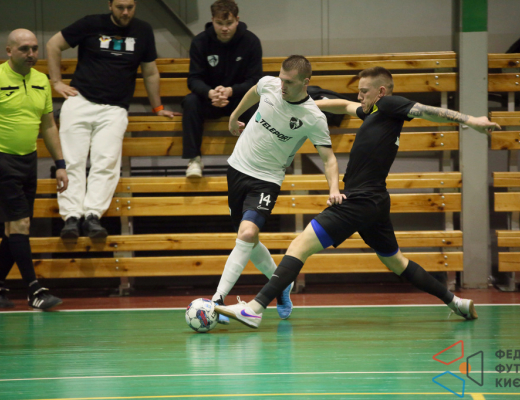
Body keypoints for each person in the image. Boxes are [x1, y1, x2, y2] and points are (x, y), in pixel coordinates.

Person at [215, 66, 502, 329]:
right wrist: (307, 106)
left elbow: (426, 111)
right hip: (375, 202)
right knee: (397, 263)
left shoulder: (390, 104)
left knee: (299, 246)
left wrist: (470, 120)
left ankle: (254, 309)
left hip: (359, 200)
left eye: (364, 91)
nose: (359, 96)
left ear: (381, 92)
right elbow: (343, 105)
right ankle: (456, 302)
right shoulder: (374, 112)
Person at [211, 55, 344, 324]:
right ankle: (282, 285)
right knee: (247, 240)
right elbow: (254, 91)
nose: (282, 86)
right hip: (237, 169)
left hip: (267, 180)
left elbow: (329, 158)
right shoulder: (270, 84)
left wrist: (334, 188)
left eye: (289, 82)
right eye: (281, 79)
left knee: (248, 233)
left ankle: (217, 298)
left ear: (305, 82)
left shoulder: (313, 117)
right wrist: (234, 116)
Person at [47, 0, 180, 239]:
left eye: (130, 6)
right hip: (80, 100)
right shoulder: (91, 23)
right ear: (110, 5)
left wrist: (158, 107)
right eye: (120, 7)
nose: (125, 12)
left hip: (115, 108)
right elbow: (53, 44)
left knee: (106, 162)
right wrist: (56, 82)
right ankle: (71, 217)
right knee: (72, 161)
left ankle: (93, 215)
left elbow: (150, 71)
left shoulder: (143, 30)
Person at [0, 29, 69, 310]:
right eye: (24, 49)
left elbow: (48, 125)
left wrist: (60, 165)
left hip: (28, 160)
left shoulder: (41, 81)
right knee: (20, 224)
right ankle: (35, 290)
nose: (31, 54)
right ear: (9, 51)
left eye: (34, 48)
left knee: (14, 228)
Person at [183, 0, 262, 178]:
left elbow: (255, 81)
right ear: (212, 20)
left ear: (237, 20)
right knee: (190, 101)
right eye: (219, 23)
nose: (224, 28)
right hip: (211, 100)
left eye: (229, 23)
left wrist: (231, 91)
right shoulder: (200, 42)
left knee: (258, 104)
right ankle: (194, 160)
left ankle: (254, 160)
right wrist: (210, 93)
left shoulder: (251, 41)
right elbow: (194, 79)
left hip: (239, 100)